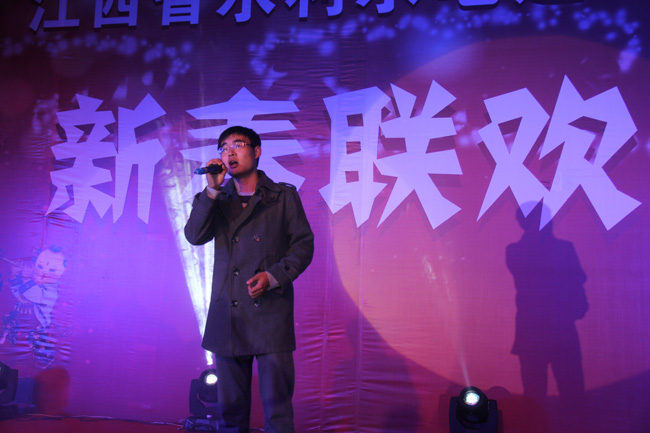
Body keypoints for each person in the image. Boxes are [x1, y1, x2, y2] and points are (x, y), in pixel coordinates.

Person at [184, 126, 314, 433]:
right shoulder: (217, 198)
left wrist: (273, 276)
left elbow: (303, 245)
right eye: (223, 147)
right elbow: (194, 236)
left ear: (256, 151)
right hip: (227, 315)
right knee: (230, 412)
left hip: (270, 314)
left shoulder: (282, 196)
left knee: (278, 412)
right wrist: (212, 190)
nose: (229, 151)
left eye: (238, 144)